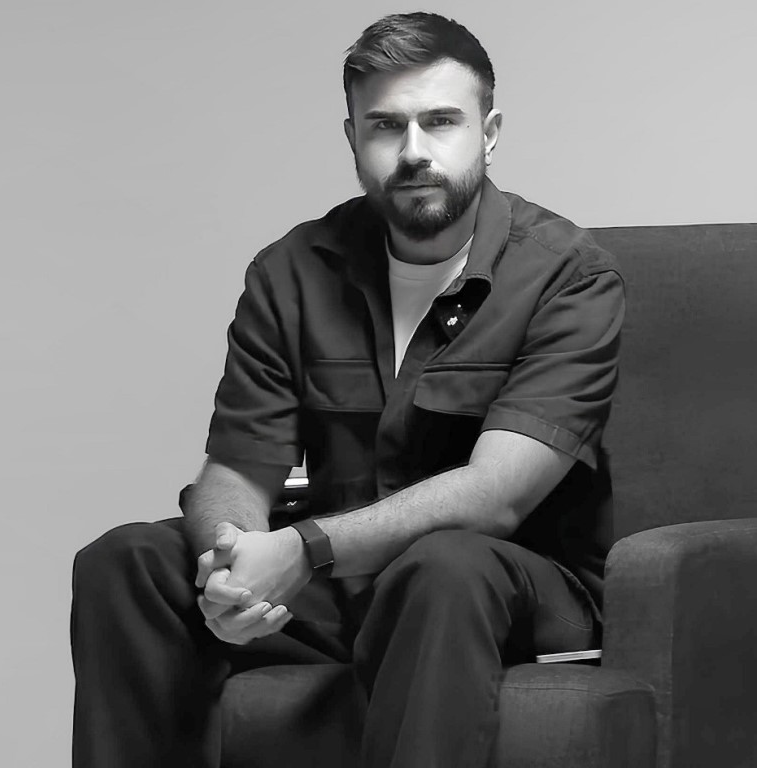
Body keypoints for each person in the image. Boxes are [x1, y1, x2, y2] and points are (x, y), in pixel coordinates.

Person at [71, 11, 624, 768]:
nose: (414, 150)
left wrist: (305, 547)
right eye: (385, 126)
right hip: (344, 588)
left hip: (509, 592)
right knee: (125, 560)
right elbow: (237, 467)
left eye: (441, 122)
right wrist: (233, 566)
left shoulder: (569, 276)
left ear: (489, 134)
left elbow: (496, 494)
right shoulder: (292, 271)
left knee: (444, 565)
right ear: (352, 138)